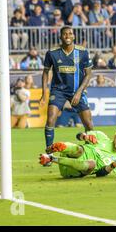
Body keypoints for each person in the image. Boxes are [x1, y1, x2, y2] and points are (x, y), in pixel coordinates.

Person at [39, 26, 94, 156]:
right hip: (58, 91)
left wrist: (79, 92)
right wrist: (44, 93)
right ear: (60, 36)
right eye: (65, 34)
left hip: (77, 90)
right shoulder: (52, 53)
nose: (67, 36)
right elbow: (45, 72)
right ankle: (49, 153)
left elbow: (88, 74)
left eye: (70, 33)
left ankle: (91, 152)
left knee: (89, 124)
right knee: (51, 119)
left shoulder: (82, 52)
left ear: (74, 36)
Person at [39, 128, 116, 178]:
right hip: (71, 153)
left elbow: (99, 174)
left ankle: (51, 158)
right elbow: (78, 135)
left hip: (76, 170)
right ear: (115, 136)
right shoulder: (101, 136)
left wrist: (114, 164)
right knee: (80, 150)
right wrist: (85, 137)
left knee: (92, 164)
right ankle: (57, 147)